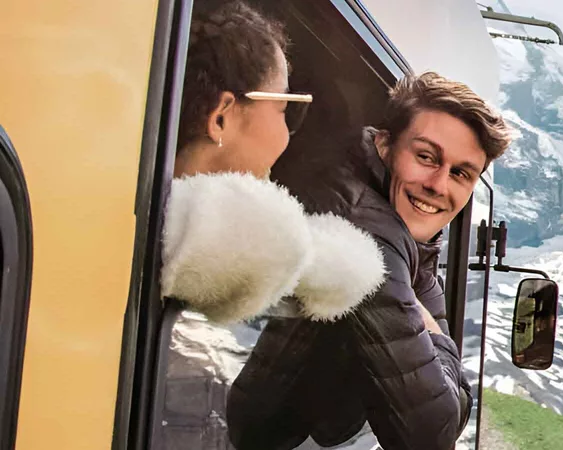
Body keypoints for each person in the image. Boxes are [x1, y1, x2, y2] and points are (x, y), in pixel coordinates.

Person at [226, 71, 514, 450]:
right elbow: (431, 432)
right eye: (426, 157)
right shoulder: (368, 231)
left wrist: (427, 331)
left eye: (460, 173)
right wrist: (438, 341)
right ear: (383, 145)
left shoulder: (406, 229)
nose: (439, 185)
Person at [156, 1, 387, 449]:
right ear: (221, 115)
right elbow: (346, 272)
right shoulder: (212, 233)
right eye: (287, 110)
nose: (287, 136)